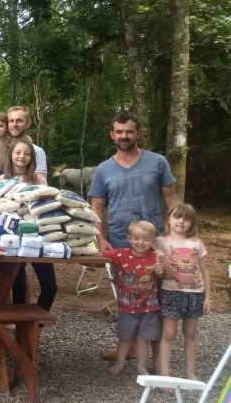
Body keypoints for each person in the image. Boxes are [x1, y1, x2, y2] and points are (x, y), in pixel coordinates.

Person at [89, 110, 179, 361]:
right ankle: (125, 348)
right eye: (119, 132)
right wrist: (101, 238)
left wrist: (175, 236)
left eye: (129, 131)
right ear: (112, 134)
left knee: (156, 301)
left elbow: (171, 199)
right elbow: (96, 209)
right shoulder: (103, 169)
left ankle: (159, 359)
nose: (124, 136)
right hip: (121, 243)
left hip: (154, 244)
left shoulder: (157, 162)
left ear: (137, 133)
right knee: (127, 299)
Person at [0, 139, 55, 311]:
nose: (22, 156)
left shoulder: (39, 180)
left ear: (32, 158)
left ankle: (36, 325)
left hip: (38, 237)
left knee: (50, 286)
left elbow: (47, 208)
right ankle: (21, 328)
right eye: (18, 152)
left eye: (27, 153)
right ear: (11, 154)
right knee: (18, 284)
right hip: (12, 239)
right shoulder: (0, 180)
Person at [102, 221, 165, 375]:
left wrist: (160, 269)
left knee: (144, 338)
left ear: (153, 241)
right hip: (127, 306)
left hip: (149, 306)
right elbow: (101, 254)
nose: (140, 242)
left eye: (146, 239)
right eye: (136, 238)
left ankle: (141, 367)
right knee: (125, 337)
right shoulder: (121, 254)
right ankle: (120, 364)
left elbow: (162, 275)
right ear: (129, 238)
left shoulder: (156, 256)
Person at [155, 203, 210, 379]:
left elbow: (204, 271)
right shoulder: (160, 241)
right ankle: (164, 373)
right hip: (171, 292)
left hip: (195, 293)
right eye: (177, 217)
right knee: (169, 333)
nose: (181, 221)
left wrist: (208, 297)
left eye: (187, 219)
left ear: (192, 223)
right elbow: (156, 269)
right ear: (168, 219)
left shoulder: (196, 243)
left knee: (190, 333)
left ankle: (190, 372)